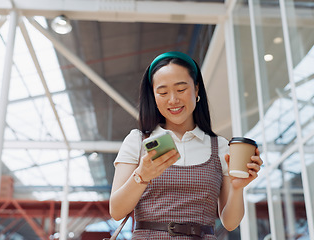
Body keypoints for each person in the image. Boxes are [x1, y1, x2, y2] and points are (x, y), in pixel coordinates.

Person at [109, 51, 263, 239]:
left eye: (181, 90)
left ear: (197, 89)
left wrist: (238, 187)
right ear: (154, 96)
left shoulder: (220, 147)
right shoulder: (137, 141)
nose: (173, 100)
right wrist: (142, 175)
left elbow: (230, 223)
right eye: (163, 92)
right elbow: (116, 211)